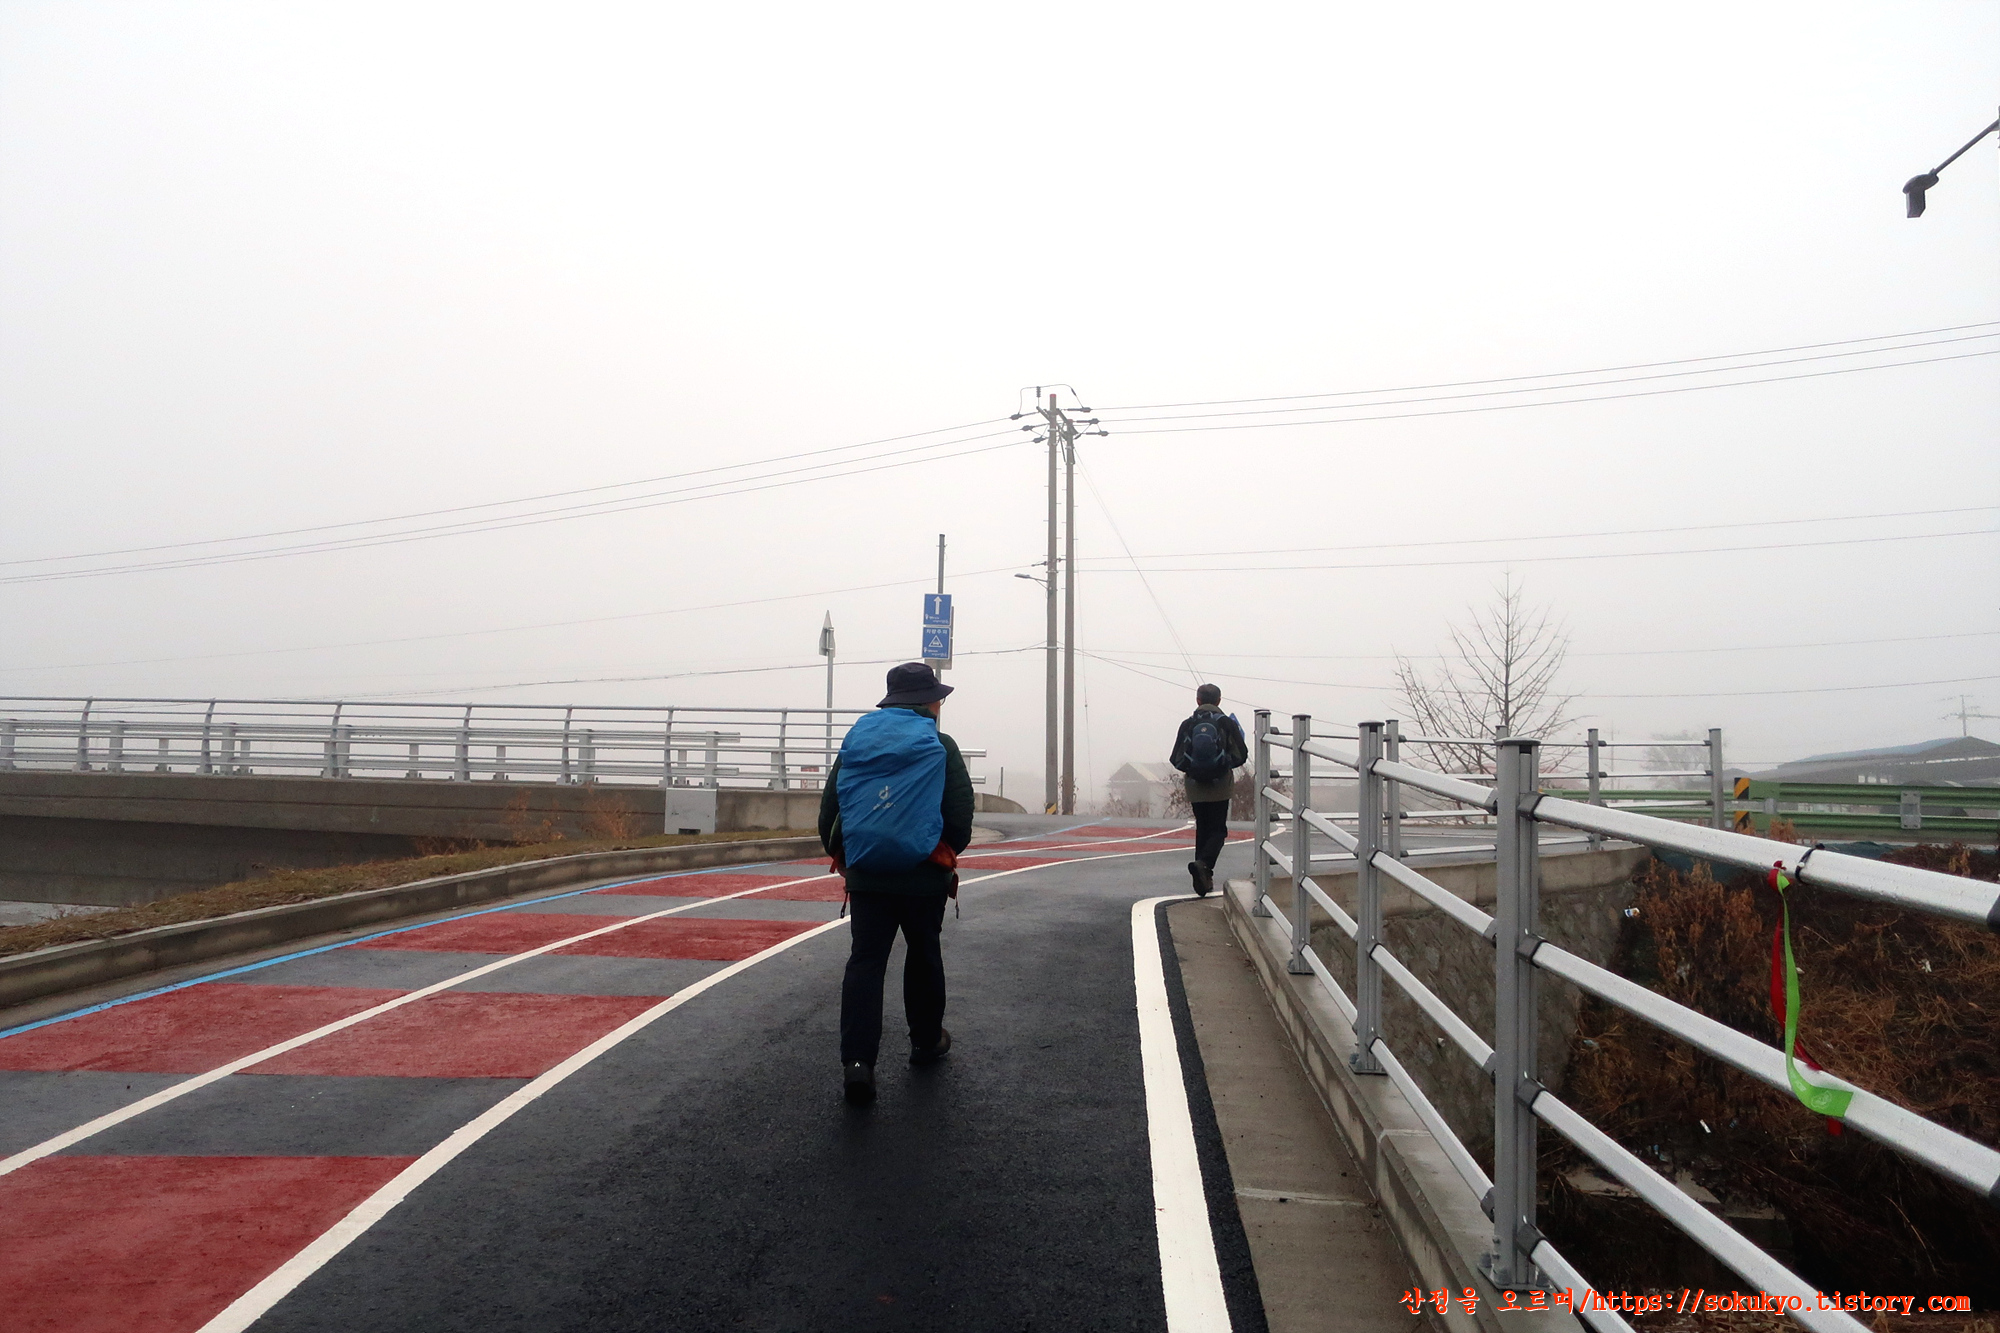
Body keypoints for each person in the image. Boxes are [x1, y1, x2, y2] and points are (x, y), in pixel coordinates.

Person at [820, 661, 975, 1107]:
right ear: (930, 702)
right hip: (924, 876)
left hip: (868, 874)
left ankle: (858, 1064)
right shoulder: (941, 745)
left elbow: (831, 810)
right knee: (923, 953)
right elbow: (959, 814)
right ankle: (925, 1041)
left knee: (866, 962)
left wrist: (848, 857)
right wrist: (941, 851)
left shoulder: (858, 740)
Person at [1169, 683, 1248, 896]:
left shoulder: (1188, 724)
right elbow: (1241, 754)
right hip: (1220, 786)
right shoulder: (1226, 723)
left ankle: (1203, 878)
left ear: (1198, 700)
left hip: (1195, 787)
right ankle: (1204, 865)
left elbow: (1175, 758)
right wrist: (1222, 766)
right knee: (1218, 830)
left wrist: (1193, 770)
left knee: (1202, 828)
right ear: (1219, 700)